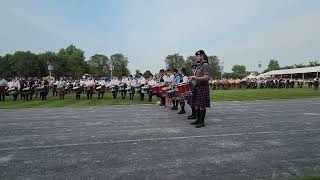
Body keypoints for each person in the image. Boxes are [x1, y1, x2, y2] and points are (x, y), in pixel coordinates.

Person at [189, 50, 211, 128]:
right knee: (197, 105)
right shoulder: (199, 66)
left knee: (202, 105)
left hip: (202, 87)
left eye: (197, 56)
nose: (196, 58)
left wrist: (195, 77)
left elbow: (206, 77)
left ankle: (202, 122)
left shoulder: (205, 65)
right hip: (197, 87)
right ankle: (198, 120)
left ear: (202, 56)